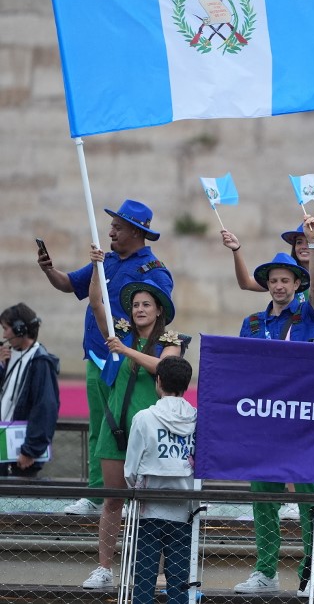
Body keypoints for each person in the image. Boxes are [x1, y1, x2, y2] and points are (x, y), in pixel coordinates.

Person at [37, 199, 173, 515]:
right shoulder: (105, 261)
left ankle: (132, 498)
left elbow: (161, 315)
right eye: (112, 225)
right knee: (99, 427)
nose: (110, 231)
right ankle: (98, 496)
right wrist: (48, 270)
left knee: (131, 426)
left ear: (136, 232)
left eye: (117, 227)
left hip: (129, 362)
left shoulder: (154, 271)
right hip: (97, 356)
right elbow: (69, 284)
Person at [233, 215, 314, 597]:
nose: (278, 286)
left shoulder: (309, 314)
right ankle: (266, 571)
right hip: (265, 420)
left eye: (285, 280)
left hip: (305, 418)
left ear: (296, 283)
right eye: (273, 280)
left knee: (309, 499)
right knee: (264, 498)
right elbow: (240, 365)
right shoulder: (253, 322)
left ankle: (312, 573)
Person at [83, 254, 183, 590]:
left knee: (152, 506)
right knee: (113, 499)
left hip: (152, 436)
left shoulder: (171, 342)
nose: (139, 309)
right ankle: (104, 567)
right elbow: (96, 303)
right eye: (136, 304)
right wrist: (97, 267)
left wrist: (125, 352)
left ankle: (150, 568)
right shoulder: (120, 334)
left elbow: (163, 368)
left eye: (146, 304)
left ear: (158, 310)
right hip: (115, 429)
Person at [123, 356, 197, 604]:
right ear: (186, 385)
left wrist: (133, 486)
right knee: (179, 578)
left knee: (144, 577)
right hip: (185, 509)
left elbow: (131, 468)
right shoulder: (198, 419)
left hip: (148, 508)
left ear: (159, 381)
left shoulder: (144, 418)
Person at [222, 220, 314, 339]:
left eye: (308, 242)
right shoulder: (284, 273)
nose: (303, 246)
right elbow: (245, 283)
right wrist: (236, 249)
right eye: (299, 242)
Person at [0, 303, 60, 478]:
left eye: (6, 328)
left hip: (21, 454)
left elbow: (45, 407)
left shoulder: (40, 362)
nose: (4, 335)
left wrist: (31, 450)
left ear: (20, 329)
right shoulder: (9, 356)